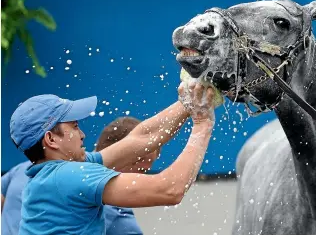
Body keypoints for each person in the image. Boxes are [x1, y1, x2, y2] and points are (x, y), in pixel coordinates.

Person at [10, 81, 217, 234]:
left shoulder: (50, 174)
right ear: (51, 139)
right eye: (74, 127)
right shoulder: (71, 176)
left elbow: (141, 138)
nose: (82, 134)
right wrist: (202, 125)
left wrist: (189, 102)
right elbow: (170, 189)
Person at [1, 116, 155, 235]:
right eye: (141, 170)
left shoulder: (25, 169)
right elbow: (169, 191)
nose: (140, 177)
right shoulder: (109, 206)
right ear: (123, 155)